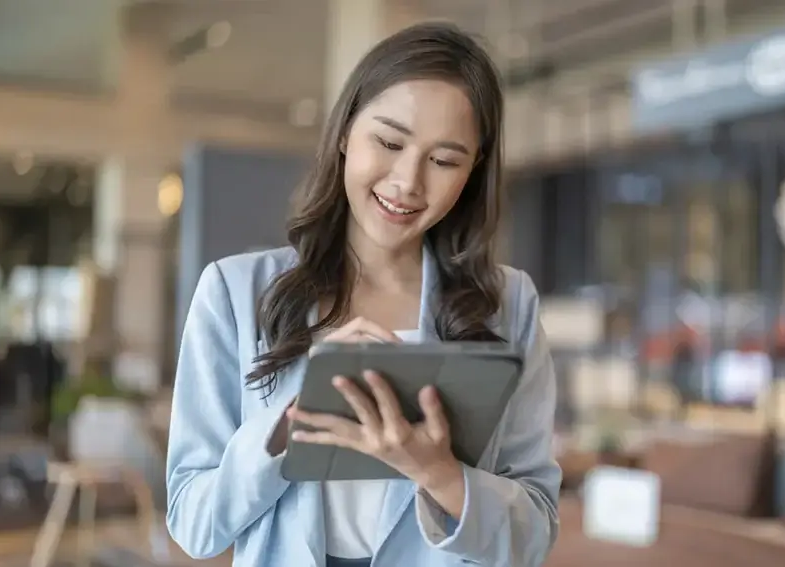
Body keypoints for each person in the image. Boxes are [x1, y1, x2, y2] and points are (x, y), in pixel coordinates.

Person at [164, 21, 561, 567]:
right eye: (390, 142)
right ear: (347, 130)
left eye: (444, 161)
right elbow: (192, 523)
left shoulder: (509, 304)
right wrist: (288, 425)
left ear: (472, 172)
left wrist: (439, 473)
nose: (407, 182)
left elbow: (535, 533)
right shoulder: (236, 293)